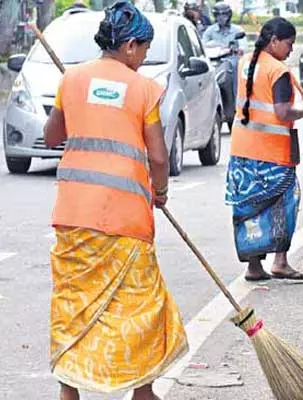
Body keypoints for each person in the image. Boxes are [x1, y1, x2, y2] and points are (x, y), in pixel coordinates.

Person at [43, 2, 188, 399]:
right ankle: (143, 392)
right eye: (142, 50)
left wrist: (74, 105)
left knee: (75, 303)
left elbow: (53, 136)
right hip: (125, 220)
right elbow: (158, 156)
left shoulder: (71, 80)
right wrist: (160, 191)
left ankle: (68, 392)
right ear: (127, 46)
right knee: (138, 306)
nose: (142, 59)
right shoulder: (144, 89)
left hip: (74, 216)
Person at [227, 17, 303, 281]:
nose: (291, 50)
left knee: (248, 207)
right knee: (285, 204)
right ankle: (280, 262)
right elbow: (282, 112)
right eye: (289, 44)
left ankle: (254, 266)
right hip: (271, 154)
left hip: (242, 150)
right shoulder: (278, 71)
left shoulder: (246, 62)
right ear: (274, 41)